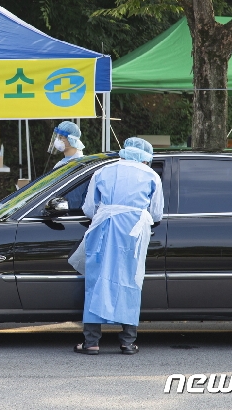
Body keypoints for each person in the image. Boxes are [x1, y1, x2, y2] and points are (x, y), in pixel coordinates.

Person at [68, 137, 163, 355]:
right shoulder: (151, 175)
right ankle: (127, 342)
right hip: (134, 234)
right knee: (131, 281)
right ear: (145, 158)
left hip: (103, 229)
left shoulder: (103, 172)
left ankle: (91, 342)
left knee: (96, 282)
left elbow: (89, 208)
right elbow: (156, 213)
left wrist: (109, 211)